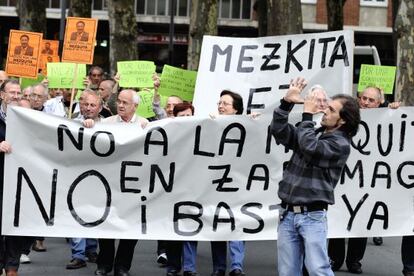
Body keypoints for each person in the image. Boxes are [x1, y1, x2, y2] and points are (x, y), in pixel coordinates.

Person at [271, 77, 361, 276]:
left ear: (343, 120)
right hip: (287, 214)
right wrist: (286, 103)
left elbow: (311, 148)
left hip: (312, 216)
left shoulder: (340, 144)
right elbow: (278, 131)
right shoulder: (313, 133)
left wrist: (307, 116)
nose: (325, 111)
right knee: (287, 271)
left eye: (331, 110)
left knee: (318, 269)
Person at [328, 85, 400, 274]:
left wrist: (392, 110)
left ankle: (354, 261)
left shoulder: (385, 117)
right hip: (343, 176)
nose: (366, 103)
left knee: (361, 220)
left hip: (367, 179)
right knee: (338, 217)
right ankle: (334, 259)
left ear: (379, 103)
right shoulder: (348, 115)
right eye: (364, 98)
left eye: (371, 100)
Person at [84, 89, 147, 276]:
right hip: (110, 185)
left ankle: (122, 267)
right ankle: (104, 265)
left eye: (125, 102)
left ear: (135, 106)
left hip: (134, 186)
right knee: (106, 226)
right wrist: (89, 125)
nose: (120, 105)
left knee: (130, 230)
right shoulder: (106, 123)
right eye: (119, 101)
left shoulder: (145, 124)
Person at [66, 91, 101, 270]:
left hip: (99, 180)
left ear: (100, 108)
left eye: (93, 105)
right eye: (85, 104)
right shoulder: (70, 122)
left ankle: (91, 249)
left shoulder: (111, 124)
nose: (88, 108)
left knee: (95, 214)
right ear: (80, 105)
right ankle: (78, 254)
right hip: (76, 178)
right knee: (77, 214)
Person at [0, 79, 26, 276]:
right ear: (2, 95)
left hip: (20, 183)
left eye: (19, 93)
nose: (16, 96)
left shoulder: (29, 118)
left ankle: (11, 267)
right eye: (12, 92)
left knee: (15, 226)